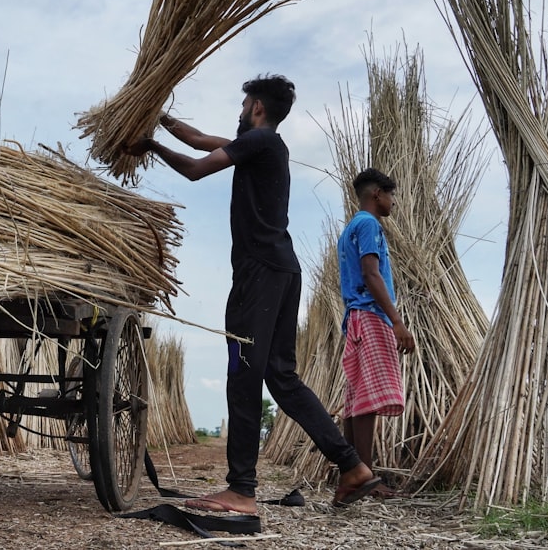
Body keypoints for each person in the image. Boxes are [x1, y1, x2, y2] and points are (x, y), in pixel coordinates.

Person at [125, 74, 380, 514]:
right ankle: (353, 466)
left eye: (243, 105)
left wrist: (150, 146)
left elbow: (194, 168)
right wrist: (155, 114)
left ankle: (241, 490)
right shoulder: (263, 147)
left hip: (259, 274)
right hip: (283, 269)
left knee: (243, 372)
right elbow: (201, 140)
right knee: (282, 377)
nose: (239, 112)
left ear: (257, 107)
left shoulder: (261, 142)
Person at [336, 168, 415, 498]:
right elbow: (372, 273)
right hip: (370, 315)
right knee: (366, 400)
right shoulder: (369, 225)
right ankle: (364, 478)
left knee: (355, 401)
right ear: (377, 194)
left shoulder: (350, 228)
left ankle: (354, 473)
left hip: (356, 317)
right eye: (392, 195)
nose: (394, 202)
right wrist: (396, 321)